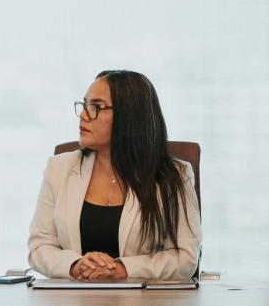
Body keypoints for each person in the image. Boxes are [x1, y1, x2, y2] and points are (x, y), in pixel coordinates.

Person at [28, 70, 201, 281]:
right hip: (74, 296)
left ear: (129, 116)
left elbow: (185, 258)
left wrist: (122, 269)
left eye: (96, 107)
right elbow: (39, 246)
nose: (83, 115)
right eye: (85, 105)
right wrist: (75, 265)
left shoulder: (174, 175)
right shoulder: (59, 168)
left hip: (144, 299)